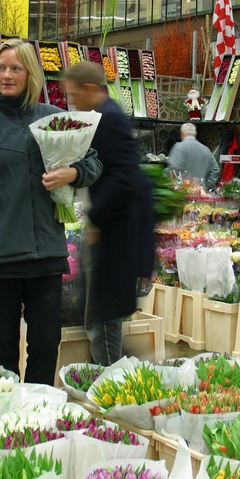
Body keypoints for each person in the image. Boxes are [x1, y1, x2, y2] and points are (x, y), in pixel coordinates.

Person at [0, 39, 102, 384]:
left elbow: (93, 161)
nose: (7, 75)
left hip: (45, 254)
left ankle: (39, 414)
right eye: (0, 68)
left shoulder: (53, 119)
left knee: (47, 343)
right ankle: (5, 420)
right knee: (2, 348)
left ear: (30, 73)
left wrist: (73, 173)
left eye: (16, 68)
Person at [63, 61, 155, 366]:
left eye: (75, 95)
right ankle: (110, 368)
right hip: (112, 227)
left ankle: (109, 375)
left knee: (103, 312)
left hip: (114, 232)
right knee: (100, 309)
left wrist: (98, 220)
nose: (73, 101)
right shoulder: (107, 114)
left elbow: (123, 175)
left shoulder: (109, 117)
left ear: (91, 89)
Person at [167, 122, 220, 191]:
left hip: (184, 193)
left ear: (181, 134)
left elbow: (172, 171)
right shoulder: (205, 149)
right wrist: (206, 187)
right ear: (195, 134)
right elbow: (215, 169)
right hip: (201, 195)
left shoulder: (179, 147)